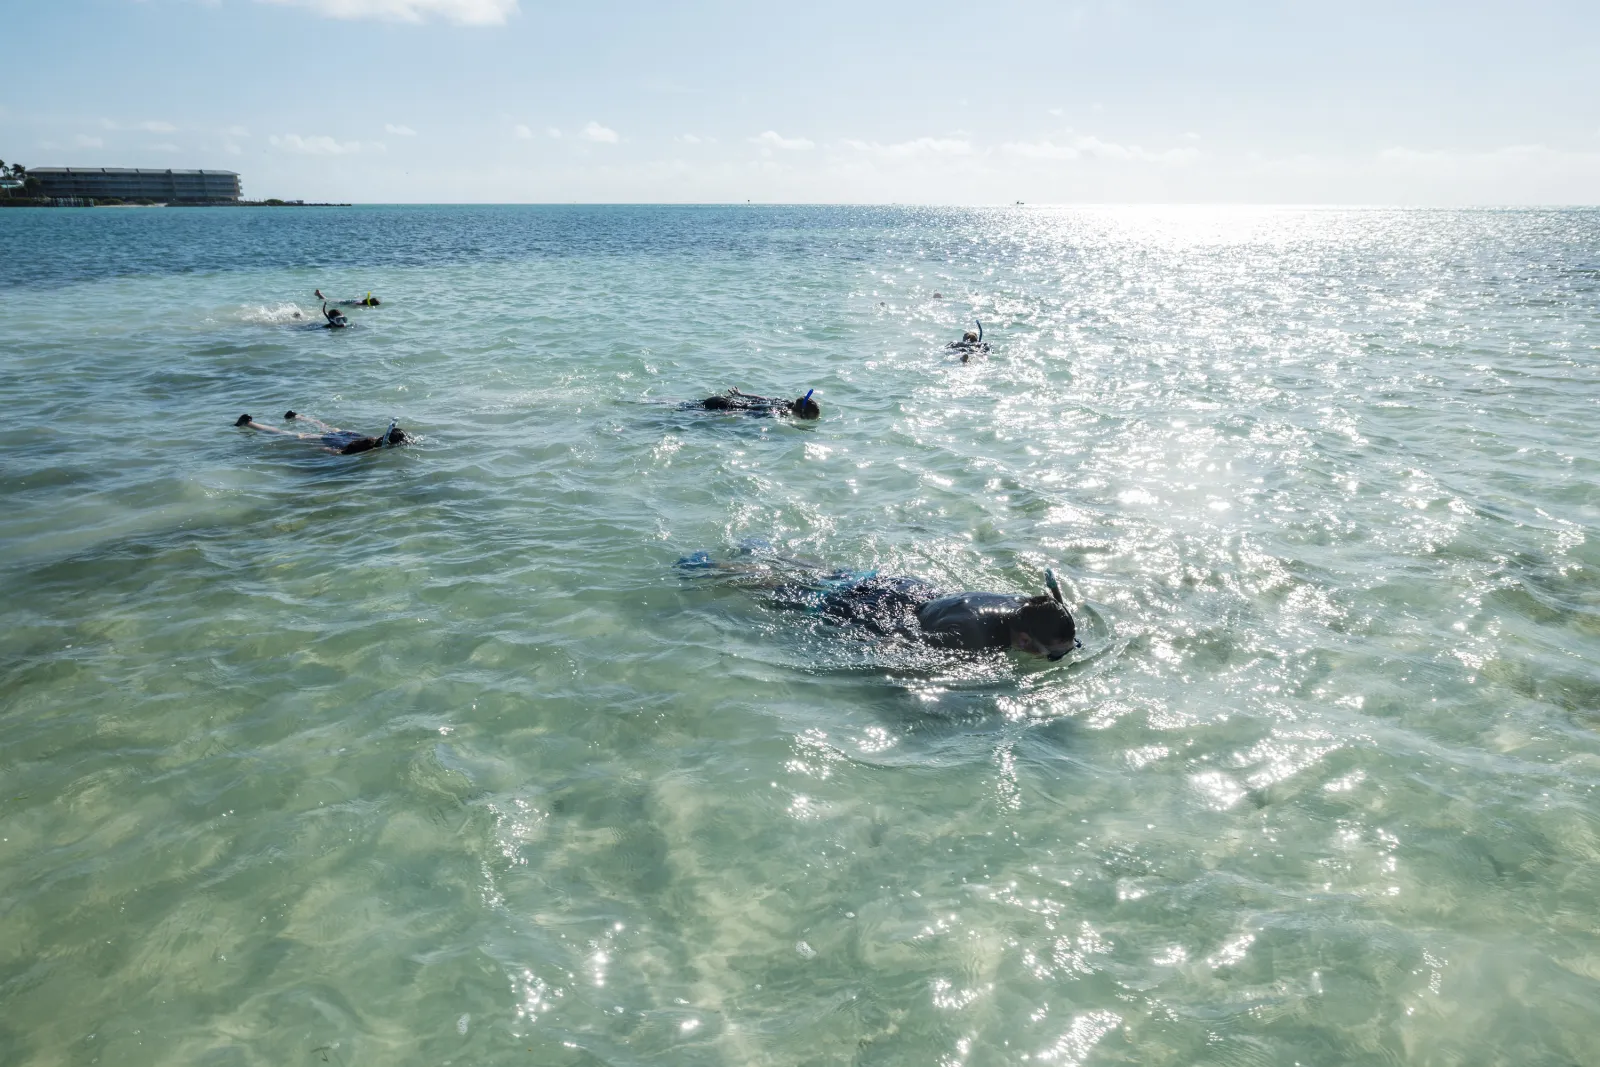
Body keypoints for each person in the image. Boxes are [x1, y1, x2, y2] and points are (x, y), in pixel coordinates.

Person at [679, 548, 1079, 660]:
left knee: (832, 573)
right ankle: (711, 567)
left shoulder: (1029, 606)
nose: (1057, 658)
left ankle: (763, 550)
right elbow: (901, 654)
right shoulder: (972, 639)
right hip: (881, 608)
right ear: (1025, 641)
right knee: (787, 595)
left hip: (902, 586)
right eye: (1053, 657)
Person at [233, 410, 410, 455]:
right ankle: (248, 424)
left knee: (326, 426)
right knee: (285, 434)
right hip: (336, 441)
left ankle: (297, 416)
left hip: (349, 434)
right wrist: (314, 451)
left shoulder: (371, 440)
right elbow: (332, 451)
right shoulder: (367, 450)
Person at [693, 388, 821, 420]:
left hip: (720, 401)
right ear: (802, 415)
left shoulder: (786, 403)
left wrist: (741, 395)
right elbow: (748, 412)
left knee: (685, 405)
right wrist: (722, 416)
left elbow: (761, 398)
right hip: (719, 407)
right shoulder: (781, 412)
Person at [315, 288, 381, 307]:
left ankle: (319, 295)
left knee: (328, 300)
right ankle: (319, 295)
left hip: (346, 301)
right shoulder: (362, 304)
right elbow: (355, 304)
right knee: (327, 300)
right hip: (343, 303)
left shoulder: (362, 301)